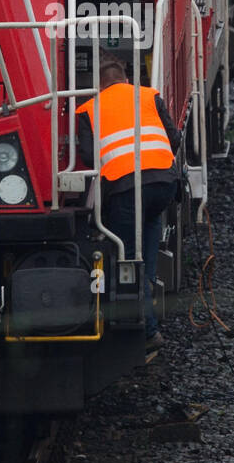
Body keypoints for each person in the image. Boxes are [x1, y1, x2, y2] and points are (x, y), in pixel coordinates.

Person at [76, 53, 182, 352]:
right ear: (125, 78)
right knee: (145, 257)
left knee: (128, 260)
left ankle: (148, 333)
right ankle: (148, 300)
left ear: (99, 84)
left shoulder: (88, 109)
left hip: (125, 191)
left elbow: (88, 158)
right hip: (163, 185)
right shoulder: (150, 95)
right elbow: (173, 138)